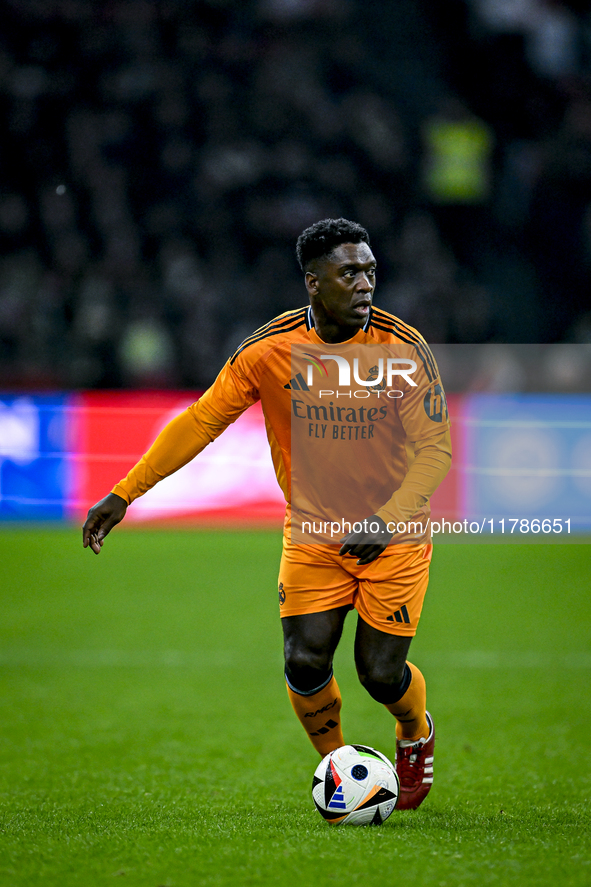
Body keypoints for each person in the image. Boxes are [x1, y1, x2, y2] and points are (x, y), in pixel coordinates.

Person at [82, 218, 452, 811]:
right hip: (312, 534)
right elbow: (202, 421)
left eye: (370, 272)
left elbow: (436, 449)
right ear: (313, 282)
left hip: (395, 534)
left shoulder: (402, 347)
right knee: (304, 659)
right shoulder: (267, 350)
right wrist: (125, 493)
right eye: (349, 273)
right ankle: (340, 770)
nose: (365, 285)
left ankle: (415, 733)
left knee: (379, 674)